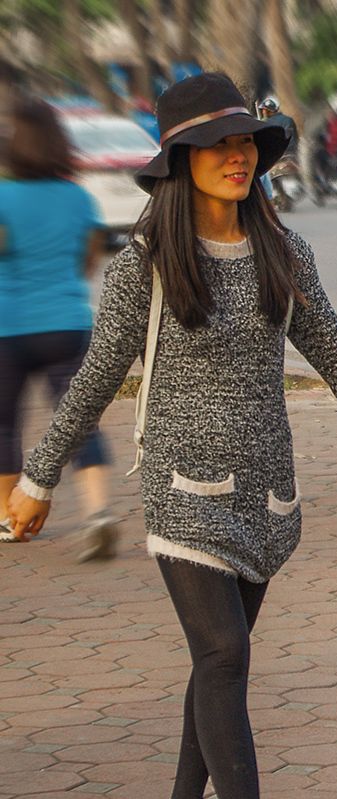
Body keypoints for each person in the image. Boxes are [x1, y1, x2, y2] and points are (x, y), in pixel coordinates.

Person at [6, 73, 337, 799]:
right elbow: (100, 373)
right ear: (179, 161)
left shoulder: (286, 253)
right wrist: (39, 474)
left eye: (244, 140)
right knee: (224, 652)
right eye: (215, 143)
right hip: (179, 486)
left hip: (267, 490)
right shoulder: (148, 262)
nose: (235, 155)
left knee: (219, 667)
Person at [0, 98, 116, 559]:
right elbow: (89, 260)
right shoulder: (79, 196)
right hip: (68, 324)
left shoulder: (4, 196)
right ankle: (99, 513)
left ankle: (12, 520)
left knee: (3, 426)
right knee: (80, 421)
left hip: (8, 327)